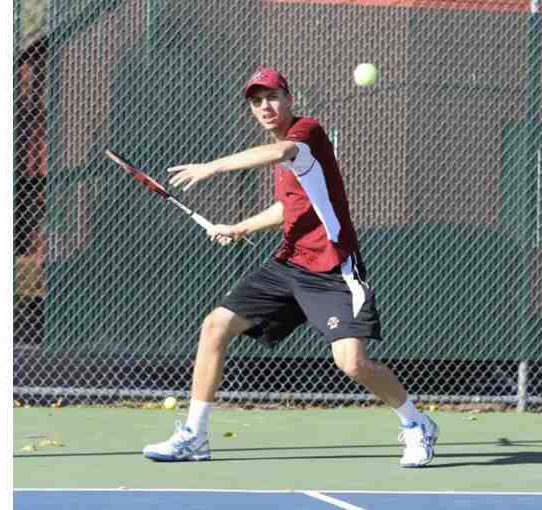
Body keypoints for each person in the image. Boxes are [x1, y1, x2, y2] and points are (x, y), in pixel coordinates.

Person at [142, 67, 439, 467]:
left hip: (333, 271)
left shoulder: (307, 133)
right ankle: (194, 436)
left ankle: (416, 423)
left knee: (352, 364)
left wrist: (211, 167)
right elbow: (290, 208)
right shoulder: (285, 157)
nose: (265, 106)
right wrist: (241, 227)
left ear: (289, 98)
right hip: (289, 265)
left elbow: (280, 153)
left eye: (272, 97)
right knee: (215, 325)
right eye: (256, 101)